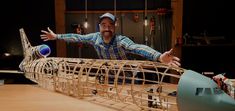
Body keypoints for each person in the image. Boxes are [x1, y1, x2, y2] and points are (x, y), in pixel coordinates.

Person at [40, 12, 180, 67]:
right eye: (104, 25)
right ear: (99, 26)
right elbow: (77, 37)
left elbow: (138, 48)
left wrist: (159, 57)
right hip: (109, 78)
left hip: (128, 79)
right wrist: (56, 36)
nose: (107, 28)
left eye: (110, 25)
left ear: (115, 26)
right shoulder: (94, 37)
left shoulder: (121, 41)